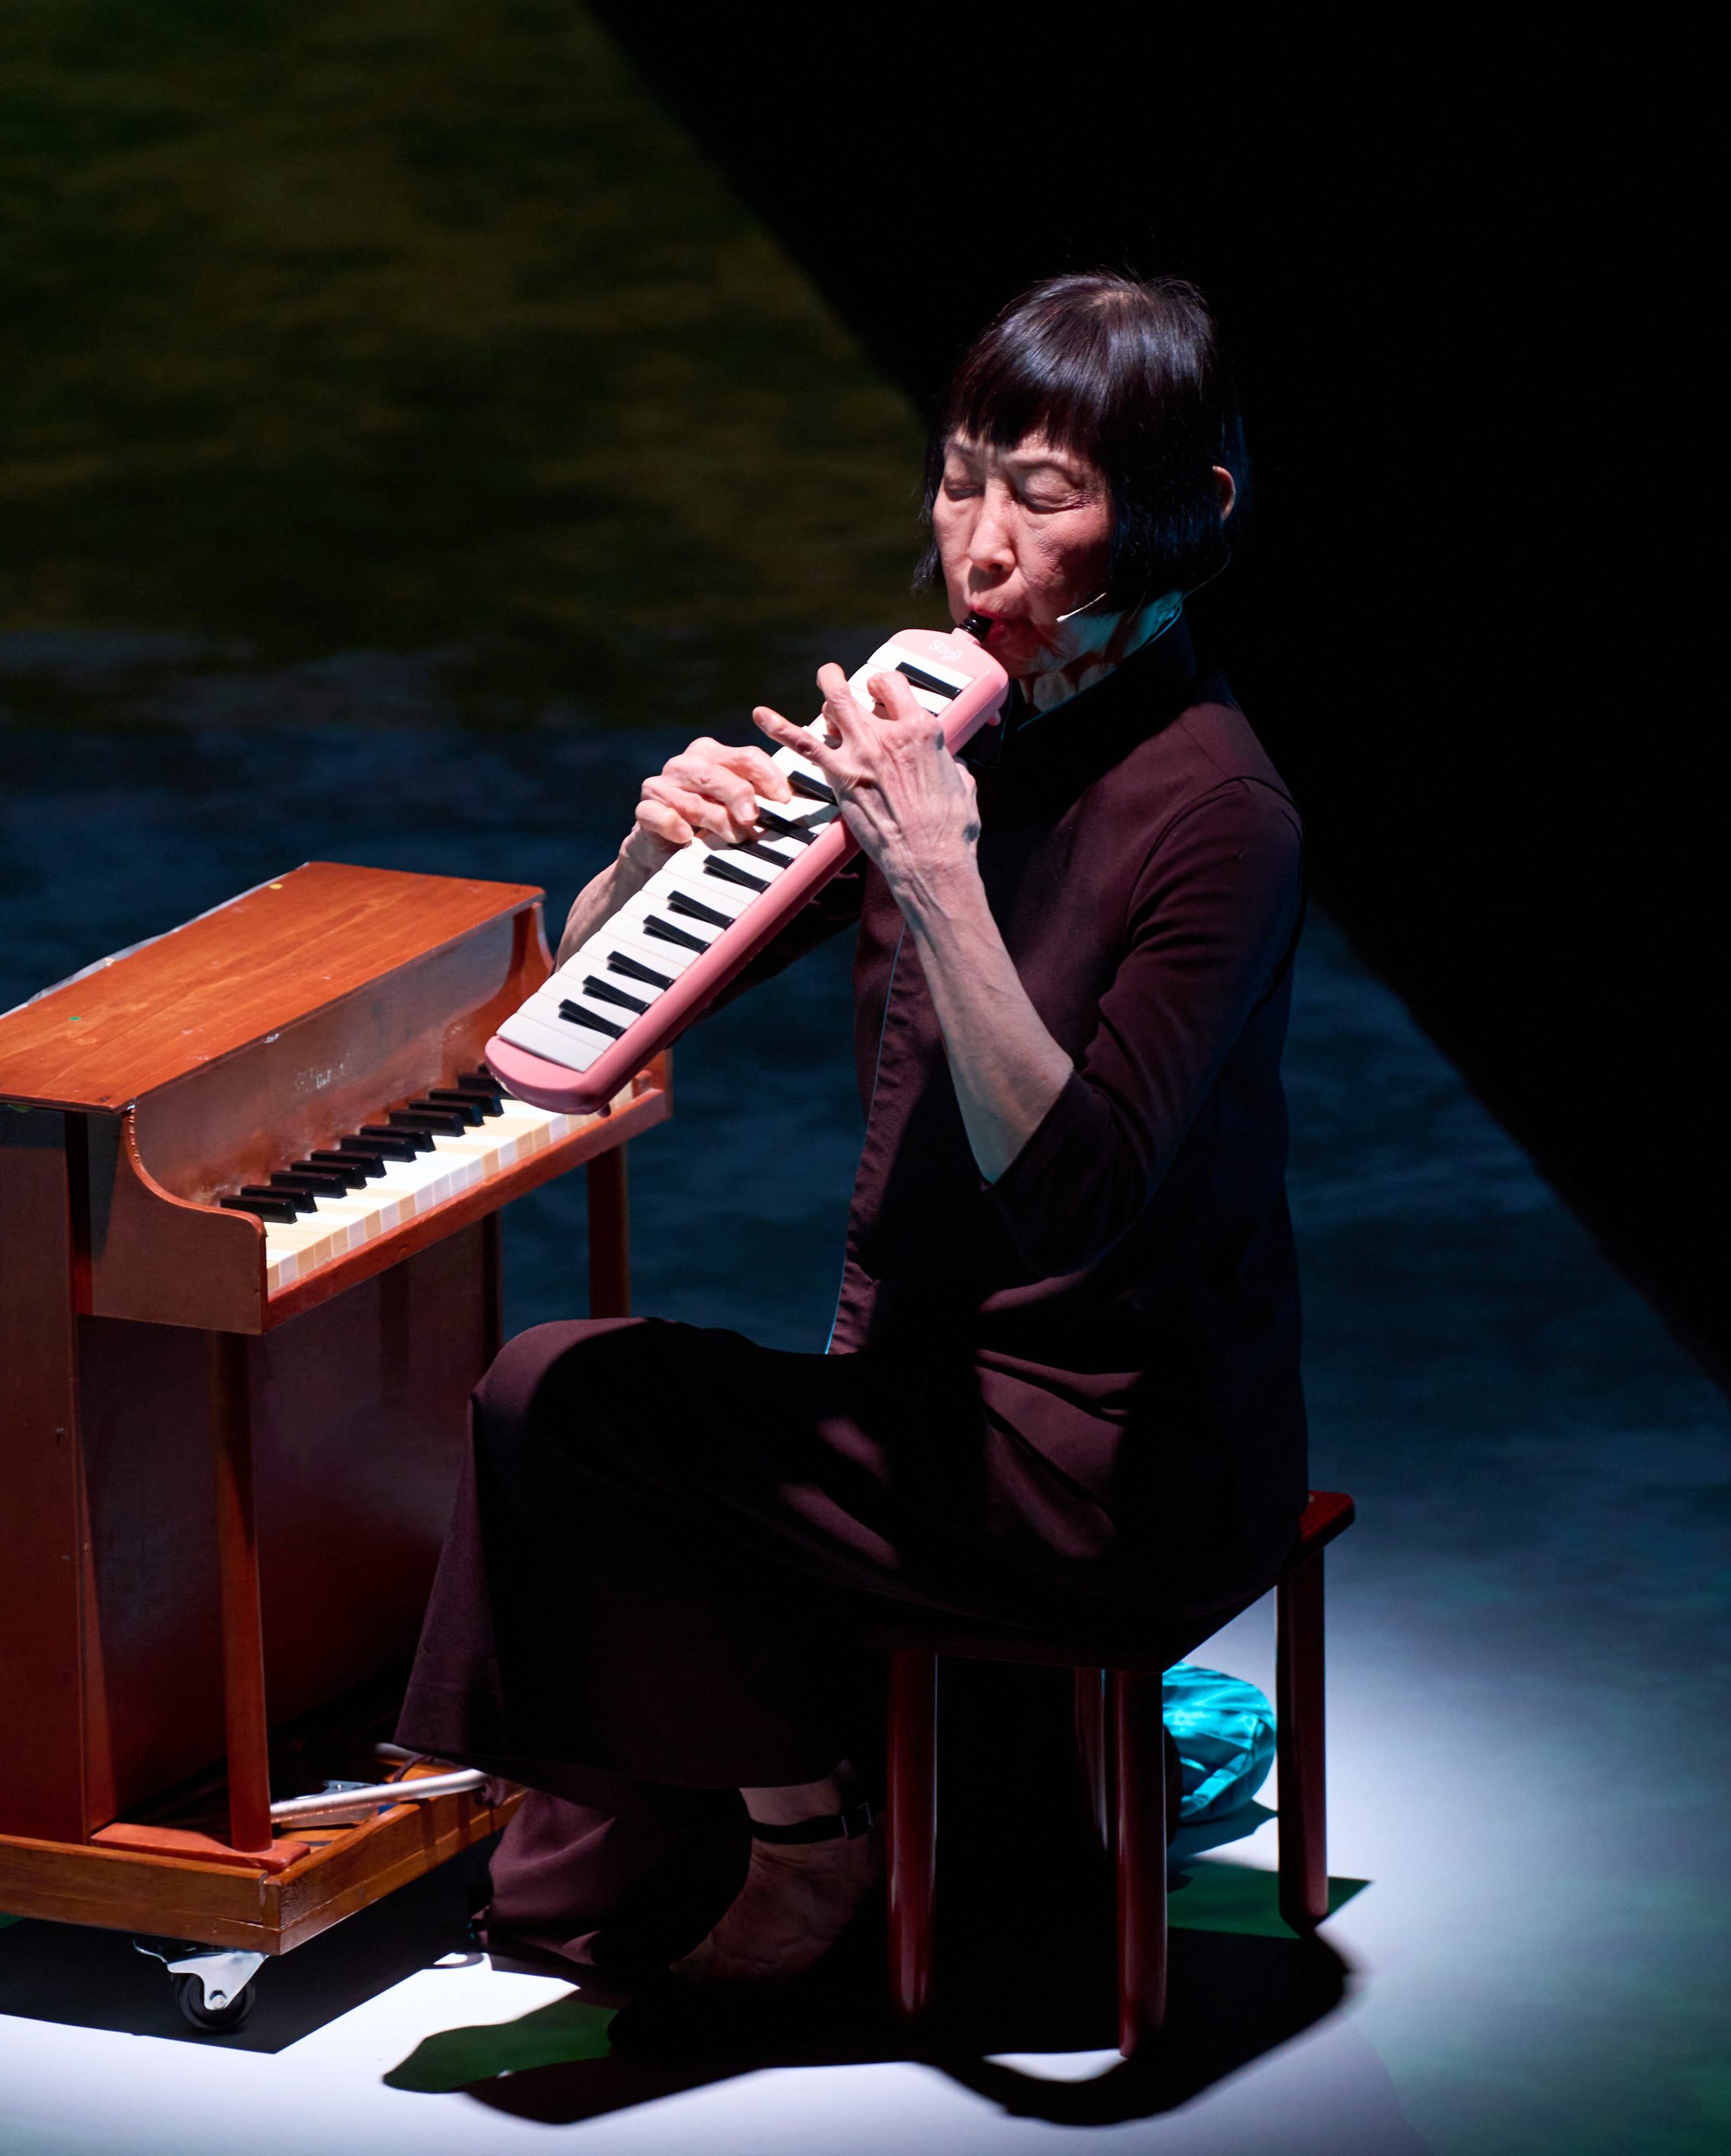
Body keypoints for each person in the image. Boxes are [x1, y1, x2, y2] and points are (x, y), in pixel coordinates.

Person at [396, 271, 1306, 1990]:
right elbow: (603, 1016)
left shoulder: (1219, 810)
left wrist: (937, 871)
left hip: (1110, 1445)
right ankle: (778, 1809)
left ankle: (807, 1846)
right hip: (925, 1384)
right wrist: (653, 853)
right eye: (962, 478)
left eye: (1043, 499)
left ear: (1185, 513)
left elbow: (1077, 1198)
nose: (976, 545)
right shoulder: (942, 721)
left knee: (566, 1405)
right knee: (573, 1421)